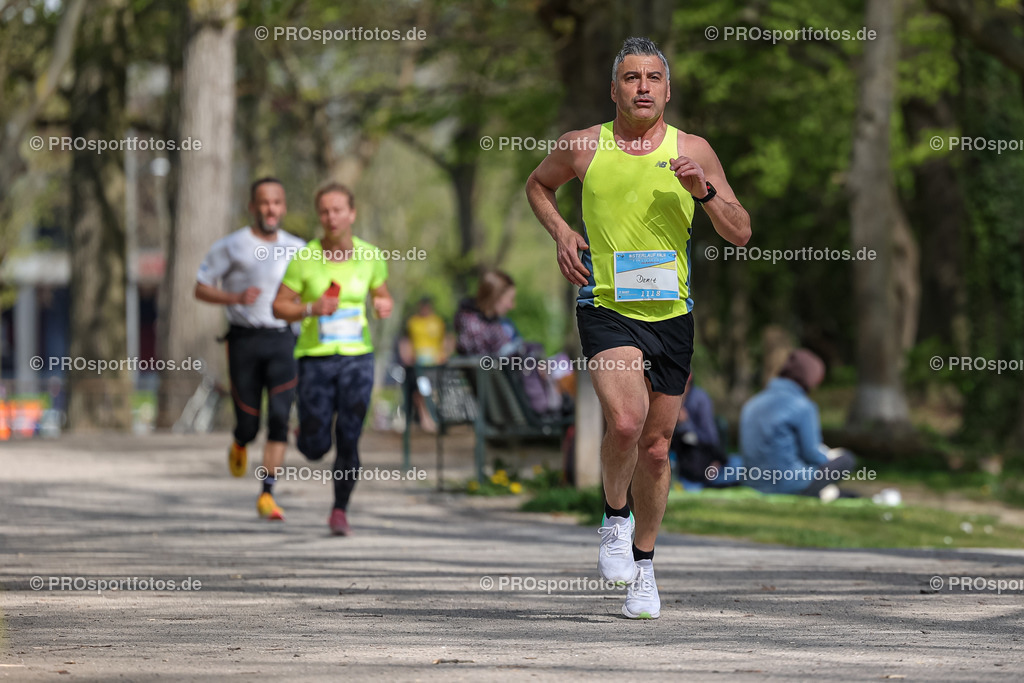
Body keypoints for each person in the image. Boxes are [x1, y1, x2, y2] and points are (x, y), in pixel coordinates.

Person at [525, 37, 750, 619]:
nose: (643, 86)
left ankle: (644, 567)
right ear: (614, 89)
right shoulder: (582, 147)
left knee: (656, 448)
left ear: (668, 91)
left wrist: (702, 190)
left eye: (653, 78)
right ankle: (614, 516)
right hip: (606, 304)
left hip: (672, 313)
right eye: (631, 78)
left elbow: (740, 231)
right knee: (625, 422)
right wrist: (562, 233)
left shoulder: (693, 149)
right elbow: (537, 185)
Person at [271, 182, 393, 536]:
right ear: (319, 216)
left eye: (338, 209)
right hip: (315, 359)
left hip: (357, 359)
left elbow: (382, 295)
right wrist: (311, 307)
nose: (331, 217)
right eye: (324, 211)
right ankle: (307, 434)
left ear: (352, 213)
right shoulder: (305, 257)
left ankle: (340, 509)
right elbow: (279, 306)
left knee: (350, 436)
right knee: (316, 446)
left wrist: (384, 305)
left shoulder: (370, 256)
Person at [194, 177, 305, 521]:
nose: (270, 209)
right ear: (252, 207)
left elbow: (309, 290)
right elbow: (200, 288)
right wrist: (234, 297)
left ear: (283, 207)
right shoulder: (232, 246)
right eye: (264, 202)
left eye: (276, 202)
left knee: (279, 417)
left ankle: (267, 493)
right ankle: (240, 442)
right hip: (244, 339)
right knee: (249, 423)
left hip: (283, 339)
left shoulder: (299, 248)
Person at [738, 349, 857, 501]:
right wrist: (830, 456)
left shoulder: (751, 403)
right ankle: (820, 493)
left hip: (753, 482)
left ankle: (827, 493)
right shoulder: (802, 406)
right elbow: (811, 453)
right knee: (846, 459)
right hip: (788, 483)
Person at [455, 269, 562, 416]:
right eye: (509, 299)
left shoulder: (495, 324)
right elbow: (496, 364)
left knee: (559, 364)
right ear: (495, 297)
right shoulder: (477, 328)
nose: (512, 306)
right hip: (510, 406)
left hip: (512, 399)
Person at [671, 374, 731, 486]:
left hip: (700, 466)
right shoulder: (667, 397)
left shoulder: (700, 399)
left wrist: (685, 424)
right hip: (680, 465)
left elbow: (709, 438)